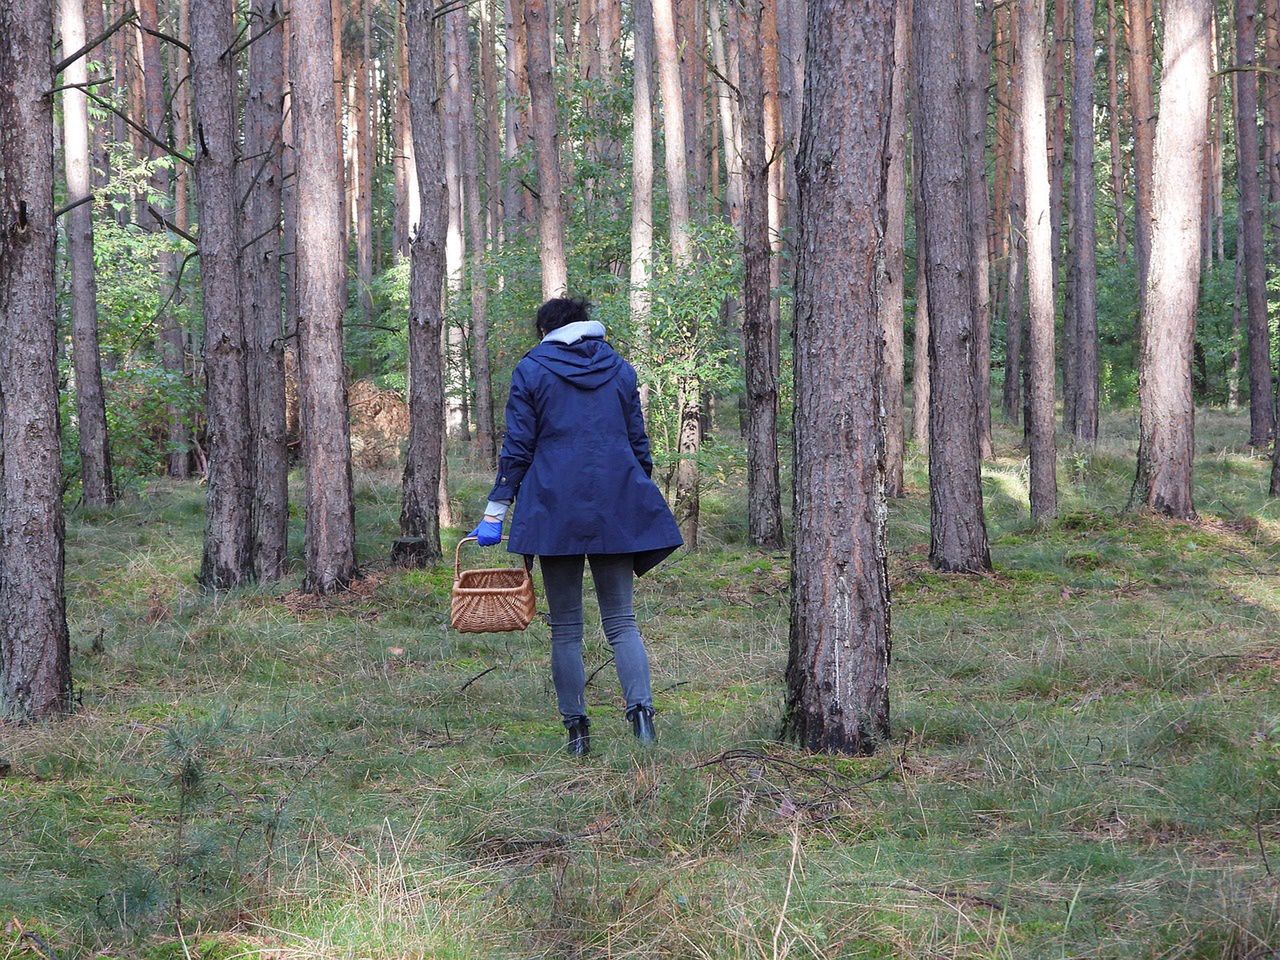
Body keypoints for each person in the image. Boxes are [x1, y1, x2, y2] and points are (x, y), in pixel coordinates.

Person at [468, 297, 683, 756]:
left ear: (545, 330)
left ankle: (577, 735)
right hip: (617, 504)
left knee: (566, 627)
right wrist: (628, 492)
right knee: (622, 622)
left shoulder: (532, 369)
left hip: (553, 505)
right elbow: (638, 445)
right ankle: (642, 722)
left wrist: (494, 511)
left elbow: (518, 447)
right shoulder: (620, 369)